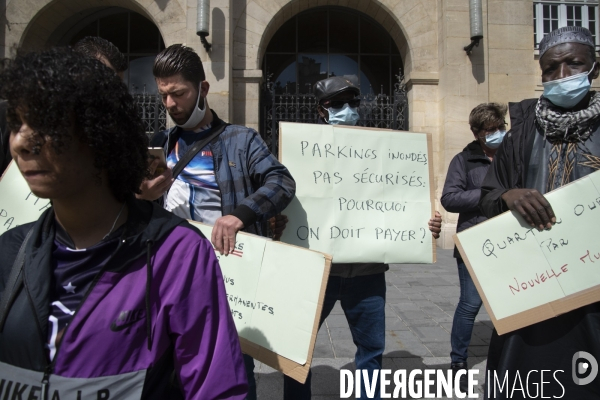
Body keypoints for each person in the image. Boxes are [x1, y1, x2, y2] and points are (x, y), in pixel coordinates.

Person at [0, 47, 247, 399]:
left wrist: (244, 212)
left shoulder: (177, 254)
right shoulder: (10, 252)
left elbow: (216, 387)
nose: (22, 142)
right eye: (15, 124)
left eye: (45, 122)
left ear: (100, 132)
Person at [137, 44, 296, 399]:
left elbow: (281, 182)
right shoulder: (158, 144)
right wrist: (143, 197)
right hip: (166, 278)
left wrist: (240, 215)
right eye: (163, 95)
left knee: (232, 369)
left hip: (226, 279)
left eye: (178, 93)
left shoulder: (242, 140)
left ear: (203, 90)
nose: (169, 104)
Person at [281, 76, 443, 400]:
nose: (348, 109)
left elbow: (401, 201)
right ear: (322, 111)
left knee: (371, 353)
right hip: (318, 273)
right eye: (338, 104)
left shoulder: (382, 151)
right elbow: (282, 200)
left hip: (368, 274)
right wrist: (276, 222)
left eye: (353, 103)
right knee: (296, 352)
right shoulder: (301, 152)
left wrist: (424, 226)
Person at [480, 26, 600, 399]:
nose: (562, 76)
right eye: (551, 68)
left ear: (593, 67)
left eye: (573, 64)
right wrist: (508, 195)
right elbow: (487, 194)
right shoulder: (521, 132)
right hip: (533, 286)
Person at [441, 103, 507, 391]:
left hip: (511, 241)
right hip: (475, 241)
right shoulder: (463, 160)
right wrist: (487, 196)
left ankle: (507, 358)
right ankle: (458, 361)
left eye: (500, 128)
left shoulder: (512, 154)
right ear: (476, 133)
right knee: (470, 305)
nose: (496, 134)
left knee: (509, 302)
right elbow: (450, 198)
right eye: (490, 130)